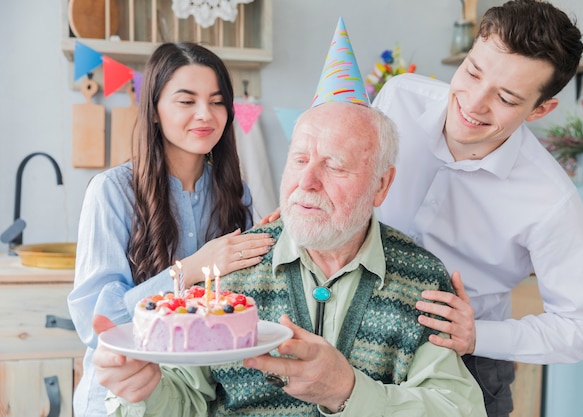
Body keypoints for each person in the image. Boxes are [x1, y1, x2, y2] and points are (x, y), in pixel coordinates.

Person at [93, 98, 487, 417]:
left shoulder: (423, 280)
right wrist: (145, 392)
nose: (306, 182)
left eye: (334, 165)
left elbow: (459, 409)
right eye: (299, 160)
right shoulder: (233, 267)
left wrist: (347, 391)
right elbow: (185, 401)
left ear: (381, 185)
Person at [372, 1, 583, 416]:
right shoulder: (399, 99)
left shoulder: (551, 200)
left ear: (540, 110)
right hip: (360, 333)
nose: (473, 104)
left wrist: (478, 335)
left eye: (505, 97)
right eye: (473, 72)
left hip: (466, 364)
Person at [67, 42, 275, 417]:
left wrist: (276, 238)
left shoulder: (235, 192)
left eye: (216, 101)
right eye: (186, 100)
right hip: (122, 400)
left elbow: (246, 295)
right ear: (155, 111)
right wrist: (190, 269)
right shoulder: (112, 191)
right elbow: (98, 324)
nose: (205, 114)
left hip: (201, 401)